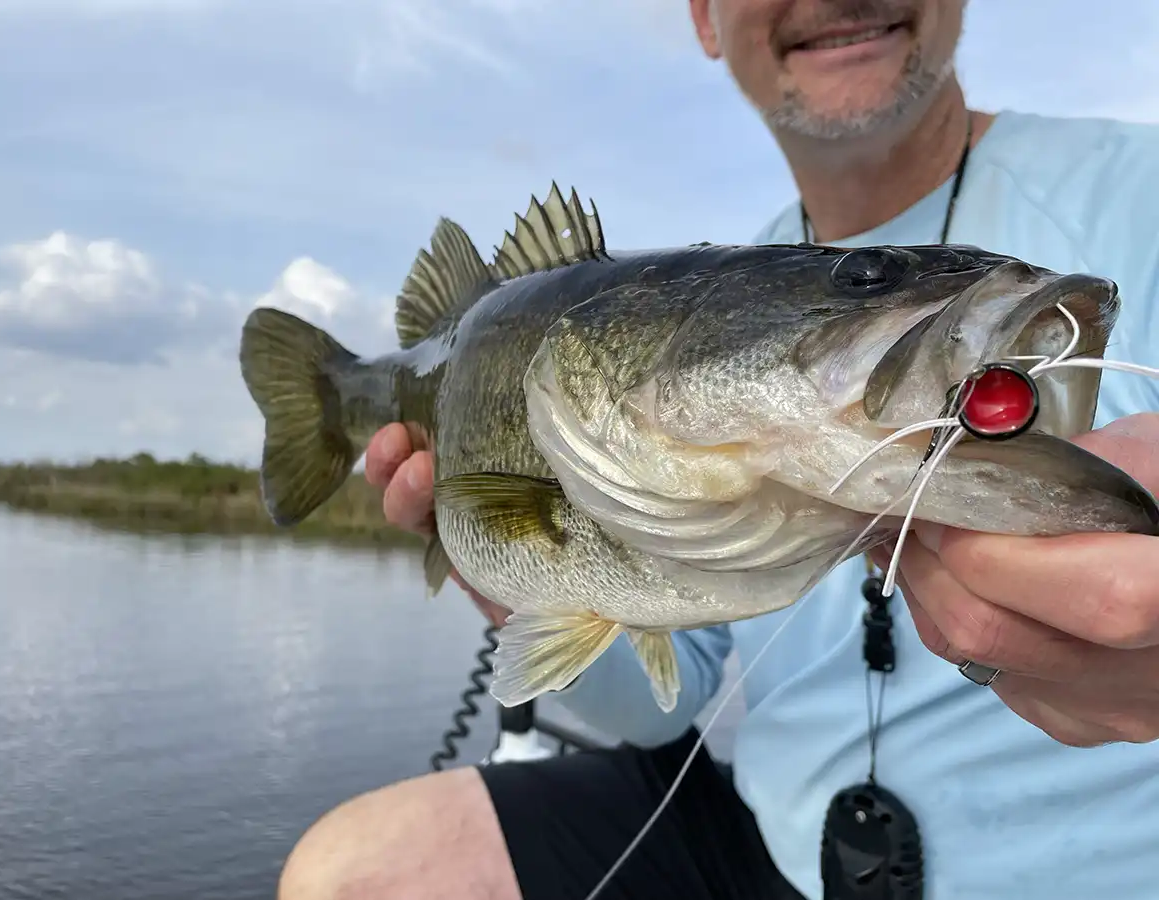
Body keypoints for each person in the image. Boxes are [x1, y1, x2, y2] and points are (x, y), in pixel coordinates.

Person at [276, 1, 1159, 899]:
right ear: (705, 18)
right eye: (860, 281)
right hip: (769, 842)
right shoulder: (747, 260)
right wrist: (509, 579)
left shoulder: (1142, 192)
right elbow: (661, 706)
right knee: (356, 872)